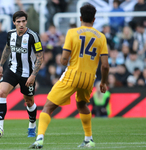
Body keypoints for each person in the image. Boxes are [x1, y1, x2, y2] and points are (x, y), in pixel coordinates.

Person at [29, 4, 109, 149]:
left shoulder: (72, 32)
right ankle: (89, 139)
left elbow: (64, 59)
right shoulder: (101, 37)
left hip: (73, 75)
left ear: (80, 18)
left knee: (48, 107)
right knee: (82, 105)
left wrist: (63, 60)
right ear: (94, 19)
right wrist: (103, 82)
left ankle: (39, 139)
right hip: (89, 79)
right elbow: (105, 66)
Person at [0, 11, 43, 137]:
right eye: (18, 22)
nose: (21, 24)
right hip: (12, 70)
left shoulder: (33, 36)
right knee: (2, 92)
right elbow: (7, 48)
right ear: (14, 22)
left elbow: (40, 57)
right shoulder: (10, 34)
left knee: (29, 102)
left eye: (23, 21)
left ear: (26, 21)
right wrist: (1, 65)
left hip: (27, 74)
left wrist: (33, 75)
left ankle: (32, 125)